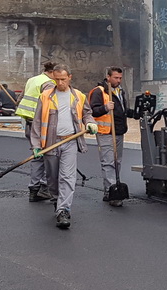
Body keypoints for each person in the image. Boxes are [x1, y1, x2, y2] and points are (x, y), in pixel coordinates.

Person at [29, 64, 97, 229]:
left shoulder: (79, 96)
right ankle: (56, 200)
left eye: (63, 79)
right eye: (57, 79)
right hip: (50, 143)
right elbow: (37, 122)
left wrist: (90, 123)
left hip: (70, 142)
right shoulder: (46, 96)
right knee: (52, 179)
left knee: (67, 177)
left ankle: (63, 210)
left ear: (70, 77)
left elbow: (86, 113)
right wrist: (36, 145)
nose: (60, 83)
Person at [88, 66, 134, 207]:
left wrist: (134, 113)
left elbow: (122, 110)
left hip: (119, 131)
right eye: (115, 78)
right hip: (106, 132)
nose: (118, 80)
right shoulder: (99, 92)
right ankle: (111, 192)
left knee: (117, 162)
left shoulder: (120, 91)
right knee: (108, 163)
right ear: (108, 77)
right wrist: (105, 108)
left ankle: (112, 189)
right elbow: (93, 111)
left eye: (120, 78)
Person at [16, 61, 58, 202]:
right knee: (47, 157)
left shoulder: (33, 79)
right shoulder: (49, 84)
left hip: (29, 123)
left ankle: (34, 189)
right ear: (53, 72)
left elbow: (19, 100)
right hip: (41, 125)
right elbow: (51, 107)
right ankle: (43, 188)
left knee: (37, 155)